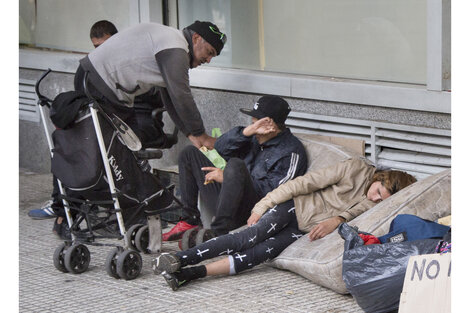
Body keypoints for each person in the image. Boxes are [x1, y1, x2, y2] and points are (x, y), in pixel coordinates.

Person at [152, 158, 417, 291]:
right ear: (382, 177)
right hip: (293, 208)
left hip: (301, 232)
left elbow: (355, 212)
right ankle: (178, 258)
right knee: (247, 238)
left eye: (381, 199)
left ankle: (190, 274)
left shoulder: (374, 205)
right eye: (378, 190)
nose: (375, 197)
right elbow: (304, 183)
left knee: (255, 256)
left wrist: (337, 219)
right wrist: (263, 205)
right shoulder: (355, 168)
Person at [162, 95, 308, 241]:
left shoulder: (291, 151)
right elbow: (220, 147)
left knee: (235, 165)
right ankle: (190, 221)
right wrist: (245, 132)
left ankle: (218, 233)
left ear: (271, 125)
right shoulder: (252, 137)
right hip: (227, 201)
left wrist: (229, 178)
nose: (252, 127)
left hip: (251, 211)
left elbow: (277, 193)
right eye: (252, 124)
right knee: (189, 153)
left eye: (256, 123)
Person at [28, 20, 121, 239]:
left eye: (105, 46)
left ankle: (66, 207)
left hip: (119, 123)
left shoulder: (124, 65)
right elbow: (82, 101)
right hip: (95, 121)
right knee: (64, 140)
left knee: (82, 144)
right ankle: (62, 206)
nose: (100, 52)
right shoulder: (87, 67)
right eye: (96, 47)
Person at [74, 20, 227, 150]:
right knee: (120, 147)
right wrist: (201, 135)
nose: (208, 60)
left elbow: (171, 97)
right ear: (196, 38)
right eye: (209, 52)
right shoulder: (176, 48)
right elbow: (181, 96)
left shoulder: (171, 41)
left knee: (128, 145)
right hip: (97, 82)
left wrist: (190, 134)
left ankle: (127, 184)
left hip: (98, 81)